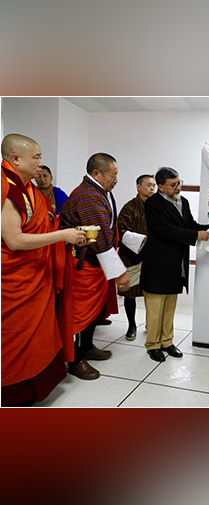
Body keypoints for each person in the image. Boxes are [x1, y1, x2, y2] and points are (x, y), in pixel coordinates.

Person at [2, 134, 86, 405]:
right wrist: (62, 237)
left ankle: (36, 386)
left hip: (34, 273)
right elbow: (14, 240)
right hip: (14, 279)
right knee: (16, 336)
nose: (41, 163)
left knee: (39, 332)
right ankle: (14, 393)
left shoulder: (27, 187)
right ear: (15, 159)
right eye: (36, 157)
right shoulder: (7, 187)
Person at [60, 153, 131, 380]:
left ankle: (88, 346)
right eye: (114, 174)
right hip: (82, 265)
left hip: (95, 264)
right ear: (96, 174)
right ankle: (74, 359)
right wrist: (120, 274)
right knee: (78, 314)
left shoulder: (100, 192)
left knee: (93, 312)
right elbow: (99, 239)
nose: (116, 179)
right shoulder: (88, 195)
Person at [140, 167, 209, 361]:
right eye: (173, 184)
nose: (178, 187)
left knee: (170, 307)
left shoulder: (183, 201)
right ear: (161, 187)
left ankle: (167, 341)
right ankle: (153, 345)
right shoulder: (153, 204)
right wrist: (196, 235)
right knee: (155, 309)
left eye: (179, 182)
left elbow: (189, 225)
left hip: (175, 264)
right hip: (158, 263)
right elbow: (166, 230)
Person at [116, 174, 155, 340]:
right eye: (148, 185)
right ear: (138, 187)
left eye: (154, 185)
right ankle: (131, 325)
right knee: (130, 293)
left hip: (152, 256)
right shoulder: (129, 207)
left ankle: (150, 323)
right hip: (131, 255)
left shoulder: (157, 207)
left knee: (152, 292)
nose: (152, 188)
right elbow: (122, 231)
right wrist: (143, 239)